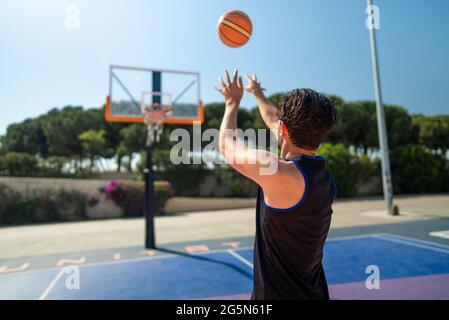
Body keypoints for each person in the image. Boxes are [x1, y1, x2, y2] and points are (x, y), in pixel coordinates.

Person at [215, 69, 337, 300]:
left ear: (283, 130)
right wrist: (258, 94)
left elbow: (227, 146)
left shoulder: (281, 172)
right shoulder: (324, 178)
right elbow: (274, 120)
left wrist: (232, 103)